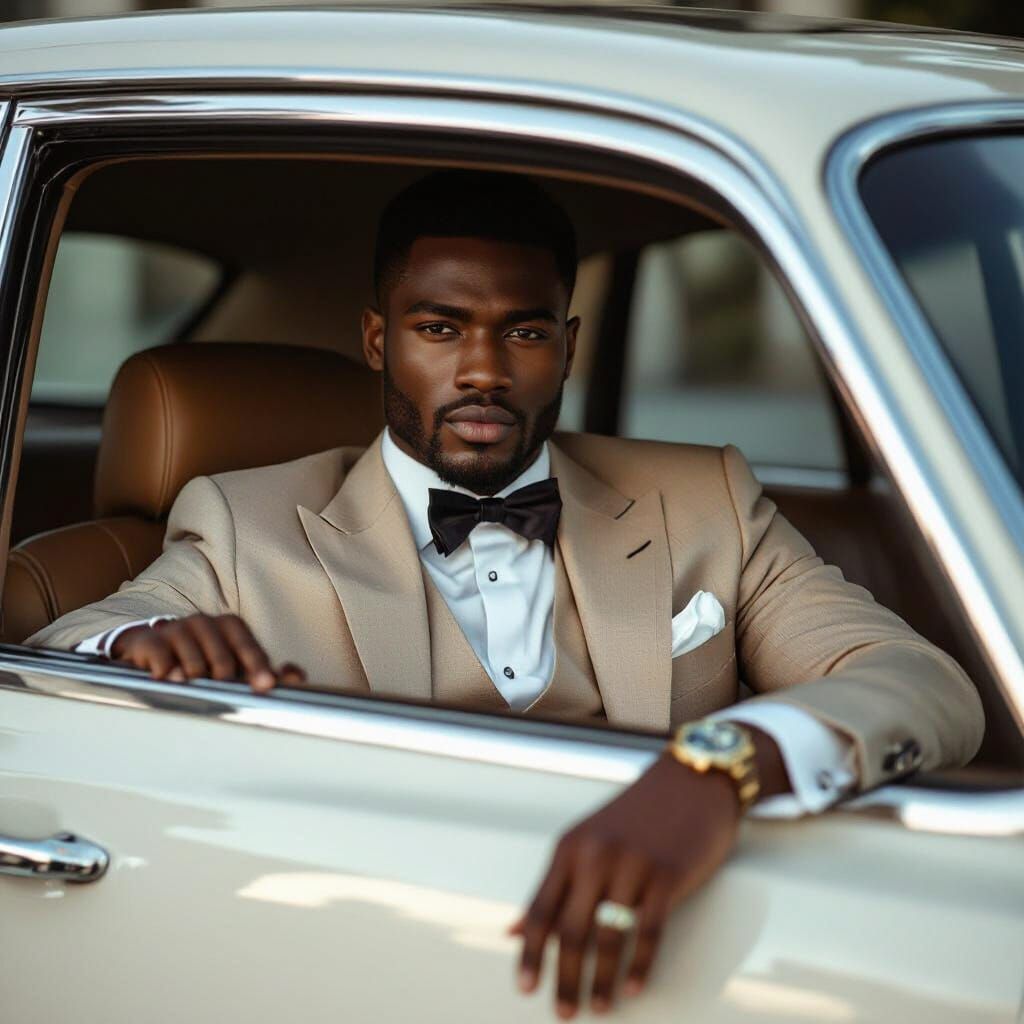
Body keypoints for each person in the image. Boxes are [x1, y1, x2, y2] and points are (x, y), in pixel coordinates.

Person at [30, 171, 983, 1019]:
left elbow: (915, 681)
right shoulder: (249, 524)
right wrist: (144, 647)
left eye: (522, 331)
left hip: (688, 962)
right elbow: (80, 641)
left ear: (567, 347)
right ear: (377, 339)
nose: (482, 370)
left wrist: (721, 766)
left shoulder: (708, 503)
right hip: (360, 965)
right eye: (439, 328)